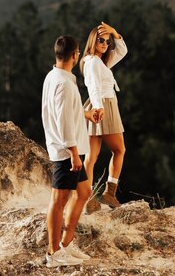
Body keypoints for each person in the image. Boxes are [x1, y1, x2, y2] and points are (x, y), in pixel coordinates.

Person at [41, 35, 100, 268]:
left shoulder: (55, 76)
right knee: (59, 200)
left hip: (68, 147)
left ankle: (66, 243)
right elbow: (64, 122)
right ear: (75, 55)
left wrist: (86, 114)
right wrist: (74, 153)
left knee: (84, 192)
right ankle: (53, 254)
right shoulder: (64, 84)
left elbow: (64, 113)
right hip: (66, 151)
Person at [81, 22, 128, 213]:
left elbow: (122, 51)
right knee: (119, 150)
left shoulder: (100, 61)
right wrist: (100, 108)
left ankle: (87, 198)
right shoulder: (92, 62)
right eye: (101, 40)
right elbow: (93, 86)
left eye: (107, 42)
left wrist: (115, 33)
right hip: (104, 105)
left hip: (100, 104)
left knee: (91, 156)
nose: (104, 44)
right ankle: (109, 192)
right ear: (93, 40)